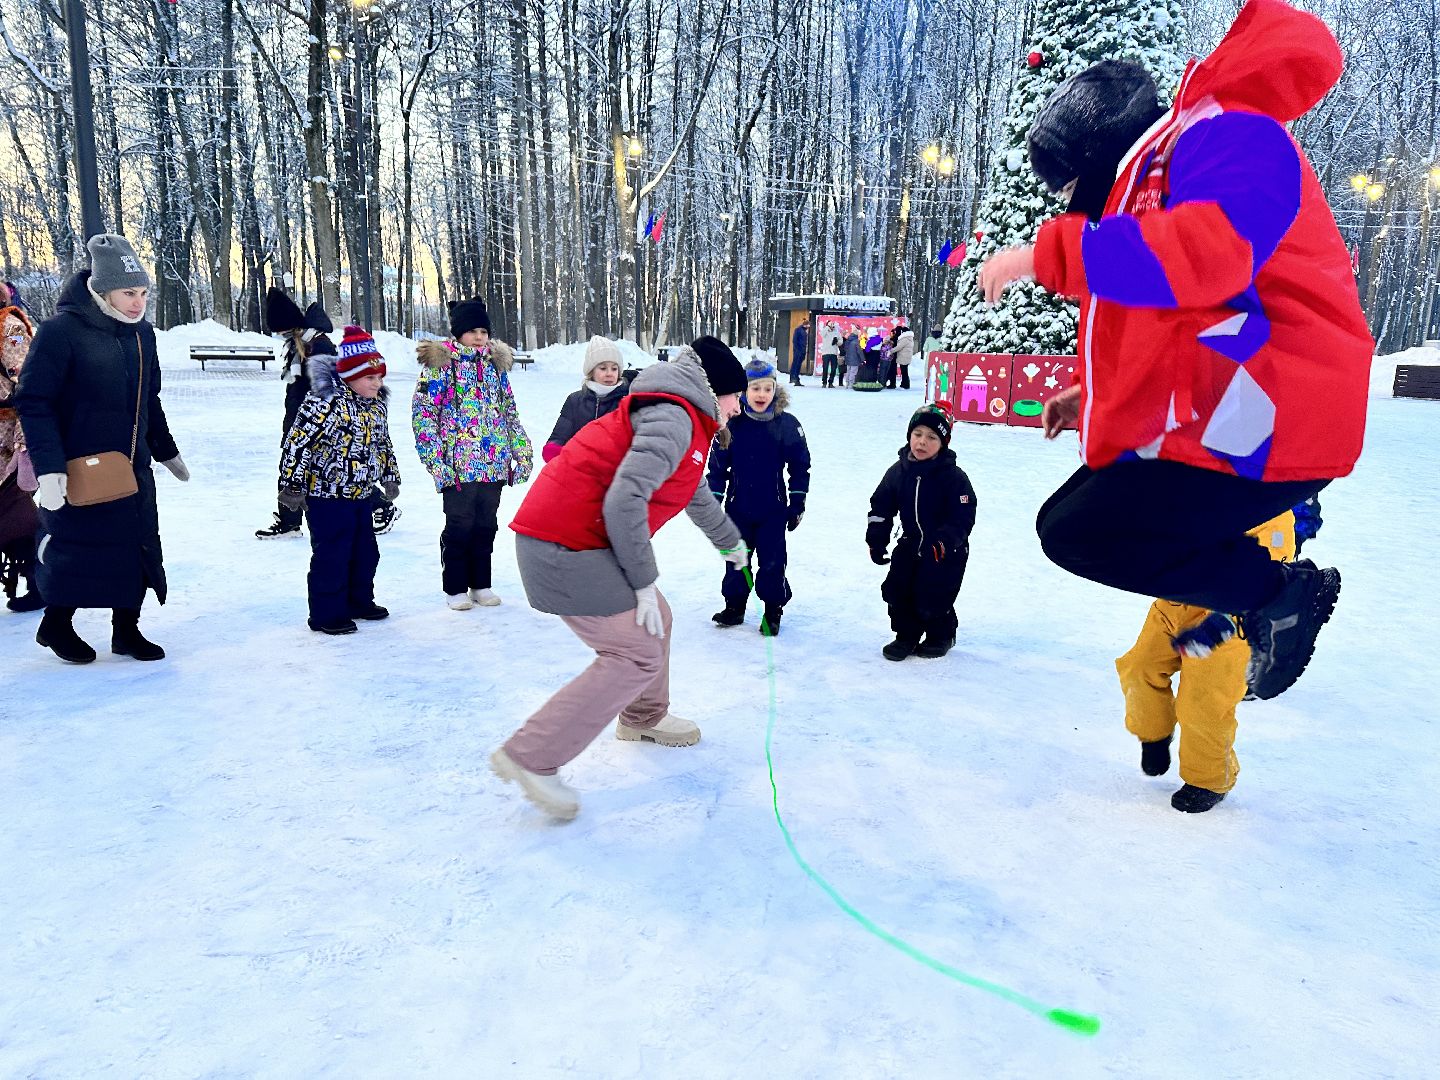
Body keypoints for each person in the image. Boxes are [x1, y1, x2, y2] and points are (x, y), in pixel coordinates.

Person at [977, 0, 1371, 700]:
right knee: (1073, 520)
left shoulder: (1234, 135)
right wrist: (1093, 395)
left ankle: (1276, 597)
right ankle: (1264, 595)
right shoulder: (1176, 167)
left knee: (1086, 531)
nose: (1070, 207)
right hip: (1247, 404)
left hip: (1283, 412)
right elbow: (1179, 318)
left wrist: (1051, 256)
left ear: (1100, 156)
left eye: (1067, 186)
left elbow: (1209, 256)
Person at [491, 336, 750, 820]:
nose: (739, 407)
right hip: (562, 545)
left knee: (658, 621)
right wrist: (643, 582)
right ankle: (532, 756)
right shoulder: (674, 417)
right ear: (717, 390)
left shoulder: (687, 421)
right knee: (635, 652)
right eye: (737, 395)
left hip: (584, 540)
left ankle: (643, 717)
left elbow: (693, 492)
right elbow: (624, 501)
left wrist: (729, 542)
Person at [15, 234, 189, 663]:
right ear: (102, 289)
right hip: (78, 469)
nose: (138, 303)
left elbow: (149, 398)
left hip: (132, 468)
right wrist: (50, 468)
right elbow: (34, 401)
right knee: (78, 549)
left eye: (143, 293)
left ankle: (126, 630)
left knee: (135, 547)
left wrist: (165, 449)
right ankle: (56, 624)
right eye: (129, 293)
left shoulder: (141, 335)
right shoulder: (61, 332)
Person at [1118, 512, 1295, 813]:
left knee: (1202, 704)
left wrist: (1220, 625)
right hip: (1173, 605)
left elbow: (1269, 577)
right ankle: (1155, 734)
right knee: (1139, 667)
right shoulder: (1193, 492)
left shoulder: (1271, 511)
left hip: (1228, 621)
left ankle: (1209, 780)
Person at [412, 297, 533, 610]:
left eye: (483, 331)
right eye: (472, 331)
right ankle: (455, 586)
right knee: (459, 524)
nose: (479, 337)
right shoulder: (440, 365)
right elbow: (424, 416)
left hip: (493, 463)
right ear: (458, 333)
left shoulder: (495, 366)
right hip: (457, 466)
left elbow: (509, 412)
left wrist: (521, 451)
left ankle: (480, 583)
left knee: (485, 525)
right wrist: (436, 461)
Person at [279, 325, 400, 636]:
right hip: (325, 495)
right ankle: (326, 614)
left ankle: (359, 601)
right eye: (370, 377)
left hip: (360, 493)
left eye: (380, 377)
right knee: (332, 554)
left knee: (365, 553)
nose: (377, 383)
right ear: (350, 376)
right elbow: (297, 443)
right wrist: (292, 484)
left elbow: (383, 443)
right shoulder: (324, 402)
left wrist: (389, 476)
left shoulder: (376, 406)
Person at [707, 355, 811, 636]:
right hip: (738, 508)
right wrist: (714, 499)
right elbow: (717, 467)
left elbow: (800, 465)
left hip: (772, 511)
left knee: (772, 563)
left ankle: (772, 610)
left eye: (767, 388)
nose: (761, 394)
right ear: (744, 391)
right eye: (755, 388)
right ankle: (734, 606)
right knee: (736, 559)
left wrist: (797, 502)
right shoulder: (732, 424)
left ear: (775, 390)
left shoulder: (786, 424)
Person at [866, 403, 976, 660]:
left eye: (932, 437)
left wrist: (945, 541)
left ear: (943, 443)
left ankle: (941, 636)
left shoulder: (954, 478)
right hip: (910, 543)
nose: (922, 442)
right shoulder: (898, 472)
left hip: (944, 550)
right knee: (897, 590)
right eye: (917, 434)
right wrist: (877, 539)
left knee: (933, 595)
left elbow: (963, 516)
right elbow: (881, 506)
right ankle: (906, 635)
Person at [256, 287, 341, 539]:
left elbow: (327, 390)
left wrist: (311, 425)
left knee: (327, 471)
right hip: (299, 420)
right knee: (296, 470)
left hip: (313, 424)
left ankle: (379, 505)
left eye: (281, 331)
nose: (279, 336)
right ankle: (289, 521)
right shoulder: (301, 345)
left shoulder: (319, 346)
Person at [0, 281, 42, 612]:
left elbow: (28, 381)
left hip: (5, 437)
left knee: (14, 509)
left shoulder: (9, 326)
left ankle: (39, 578)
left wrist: (25, 438)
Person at [541, 335, 629, 462]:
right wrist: (554, 449)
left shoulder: (626, 401)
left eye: (614, 369)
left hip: (614, 468)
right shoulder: (575, 400)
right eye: (603, 368)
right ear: (591, 371)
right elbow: (559, 435)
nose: (609, 373)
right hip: (580, 466)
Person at [893, 322, 915, 390]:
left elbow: (898, 347)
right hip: (907, 356)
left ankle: (905, 384)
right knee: (905, 371)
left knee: (904, 371)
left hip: (904, 356)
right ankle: (904, 383)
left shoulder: (905, 339)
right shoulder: (910, 338)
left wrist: (891, 351)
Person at [819, 321, 842, 388]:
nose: (832, 325)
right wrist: (827, 327)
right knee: (825, 368)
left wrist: (837, 342)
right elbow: (822, 334)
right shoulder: (825, 331)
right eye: (830, 324)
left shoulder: (836, 332)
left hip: (834, 353)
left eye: (832, 324)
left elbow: (841, 341)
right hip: (826, 352)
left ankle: (831, 382)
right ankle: (824, 382)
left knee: (834, 368)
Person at [789, 320, 807, 386]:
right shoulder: (799, 330)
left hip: (802, 350)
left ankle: (795, 378)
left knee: (797, 364)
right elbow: (795, 340)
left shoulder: (803, 331)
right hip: (799, 350)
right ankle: (794, 378)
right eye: (808, 325)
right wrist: (797, 349)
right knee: (796, 364)